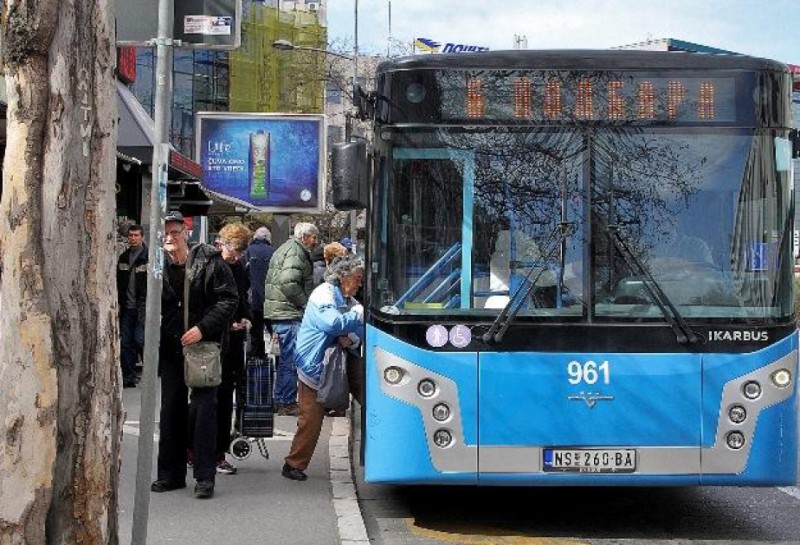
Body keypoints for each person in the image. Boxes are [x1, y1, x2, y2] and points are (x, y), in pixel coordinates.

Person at [151, 211, 238, 499]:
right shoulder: (156, 264)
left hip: (203, 349)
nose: (169, 237)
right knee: (170, 410)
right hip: (171, 348)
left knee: (203, 412)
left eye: (174, 232)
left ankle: (204, 477)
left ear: (185, 233)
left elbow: (229, 299)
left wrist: (203, 328)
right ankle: (170, 474)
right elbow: (144, 302)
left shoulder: (209, 261)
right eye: (164, 233)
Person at [282, 254, 365, 481]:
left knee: (371, 400)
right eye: (357, 278)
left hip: (343, 359)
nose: (360, 283)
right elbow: (331, 323)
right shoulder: (324, 294)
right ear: (343, 276)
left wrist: (352, 338)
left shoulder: (351, 302)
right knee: (311, 416)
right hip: (315, 363)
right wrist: (352, 324)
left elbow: (360, 331)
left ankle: (378, 449)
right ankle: (293, 464)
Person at [263, 222, 319, 416]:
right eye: (313, 237)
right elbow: (289, 281)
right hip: (288, 313)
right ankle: (286, 401)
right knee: (290, 360)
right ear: (305, 237)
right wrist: (304, 303)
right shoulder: (296, 252)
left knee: (285, 359)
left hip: (279, 311)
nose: (315, 241)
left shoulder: (287, 248)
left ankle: (281, 398)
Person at [215, 222, 252, 476]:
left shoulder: (238, 267)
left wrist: (246, 318)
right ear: (223, 243)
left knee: (225, 399)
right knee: (214, 401)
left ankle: (217, 451)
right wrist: (228, 323)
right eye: (234, 250)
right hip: (216, 340)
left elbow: (243, 298)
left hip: (234, 342)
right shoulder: (213, 265)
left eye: (240, 252)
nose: (236, 256)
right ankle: (212, 453)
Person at [116, 224, 147, 388]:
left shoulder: (148, 257)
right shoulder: (123, 257)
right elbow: (119, 282)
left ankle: (148, 374)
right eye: (131, 236)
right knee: (126, 341)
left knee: (140, 340)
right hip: (127, 307)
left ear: (142, 237)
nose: (133, 238)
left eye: (136, 235)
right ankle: (128, 376)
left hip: (143, 307)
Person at [244, 226, 275, 357]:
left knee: (255, 335)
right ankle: (279, 367)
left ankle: (257, 365)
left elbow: (244, 276)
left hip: (253, 301)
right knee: (275, 335)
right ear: (268, 238)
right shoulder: (274, 252)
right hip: (271, 300)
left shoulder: (248, 252)